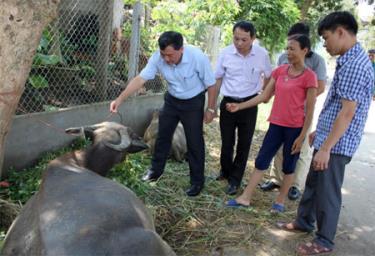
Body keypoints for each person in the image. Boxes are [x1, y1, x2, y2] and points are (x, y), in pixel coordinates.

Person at [277, 11, 374, 255]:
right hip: (329, 138)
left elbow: (347, 113)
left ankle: (324, 240)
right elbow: (335, 106)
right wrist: (320, 133)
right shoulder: (349, 59)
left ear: (341, 32)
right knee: (313, 183)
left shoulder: (354, 64)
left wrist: (327, 147)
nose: (324, 43)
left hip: (337, 145)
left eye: (326, 37)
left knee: (328, 192)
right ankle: (304, 221)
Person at [110, 31, 217, 197]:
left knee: (195, 141)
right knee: (163, 136)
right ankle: (155, 171)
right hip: (172, 100)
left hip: (193, 102)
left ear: (181, 49)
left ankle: (197, 181)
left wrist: (210, 109)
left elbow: (211, 84)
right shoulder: (157, 58)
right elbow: (140, 79)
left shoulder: (197, 57)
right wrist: (120, 99)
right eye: (163, 55)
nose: (166, 59)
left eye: (170, 55)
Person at [225, 34, 318, 212]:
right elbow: (264, 96)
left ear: (304, 51)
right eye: (287, 48)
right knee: (261, 160)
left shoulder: (310, 77)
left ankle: (280, 201)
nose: (288, 52)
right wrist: (240, 106)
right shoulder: (280, 71)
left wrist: (302, 135)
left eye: (293, 49)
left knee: (289, 166)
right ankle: (245, 197)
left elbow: (310, 111)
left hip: (295, 128)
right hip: (276, 124)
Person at [260, 23, 327, 201]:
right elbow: (278, 80)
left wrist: (299, 99)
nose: (290, 47)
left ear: (305, 44)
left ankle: (295, 185)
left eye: (294, 42)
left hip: (302, 114)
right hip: (282, 113)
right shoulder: (284, 57)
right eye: (289, 42)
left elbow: (320, 87)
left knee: (300, 150)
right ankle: (277, 179)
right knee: (279, 149)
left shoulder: (317, 61)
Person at [214, 21, 272, 195]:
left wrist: (264, 93)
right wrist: (212, 105)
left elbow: (269, 76)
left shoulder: (262, 55)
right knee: (226, 141)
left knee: (244, 143)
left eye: (244, 40)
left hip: (248, 104)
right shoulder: (225, 53)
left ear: (253, 38)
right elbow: (218, 78)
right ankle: (225, 171)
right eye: (236, 39)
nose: (239, 43)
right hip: (229, 103)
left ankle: (235, 179)